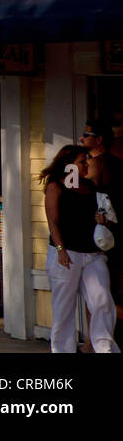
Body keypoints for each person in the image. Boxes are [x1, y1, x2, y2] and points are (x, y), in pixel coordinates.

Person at [41, 143, 119, 353]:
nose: (87, 165)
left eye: (87, 160)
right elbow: (53, 221)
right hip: (68, 254)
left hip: (93, 255)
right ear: (69, 166)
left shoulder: (89, 187)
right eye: (82, 161)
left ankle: (105, 348)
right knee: (64, 308)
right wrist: (60, 250)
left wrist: (103, 220)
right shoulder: (55, 187)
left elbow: (105, 219)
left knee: (102, 300)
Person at [82, 121, 123, 328]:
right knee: (96, 294)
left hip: (107, 240)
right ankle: (92, 342)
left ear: (99, 139)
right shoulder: (86, 165)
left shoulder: (107, 165)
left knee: (105, 294)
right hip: (93, 239)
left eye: (86, 134)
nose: (81, 138)